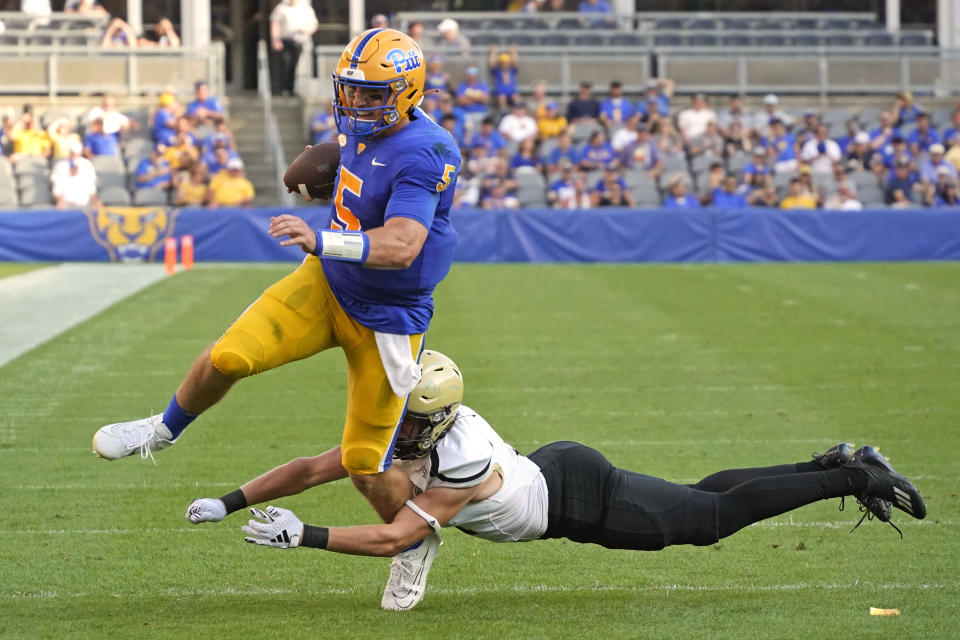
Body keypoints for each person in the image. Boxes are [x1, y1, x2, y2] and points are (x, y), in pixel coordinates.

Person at [185, 350, 925, 612]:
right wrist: (231, 499)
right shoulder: (425, 425)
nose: (396, 430)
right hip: (554, 469)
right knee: (703, 495)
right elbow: (316, 467)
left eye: (409, 423)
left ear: (434, 420)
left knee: (707, 520)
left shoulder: (459, 455)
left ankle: (851, 477)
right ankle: (826, 465)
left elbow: (393, 537)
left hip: (574, 499)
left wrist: (305, 537)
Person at [92, 30, 463, 551]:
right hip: (328, 284)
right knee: (229, 356)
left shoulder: (427, 151)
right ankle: (164, 428)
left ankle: (410, 542)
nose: (355, 102)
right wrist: (328, 177)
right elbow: (358, 162)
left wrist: (320, 237)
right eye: (349, 89)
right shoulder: (359, 125)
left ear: (405, 93)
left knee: (363, 463)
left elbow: (403, 244)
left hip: (389, 317)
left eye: (370, 94)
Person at [269, 0, 319, 96]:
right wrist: (275, 40)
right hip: (285, 42)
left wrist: (306, 30)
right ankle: (279, 90)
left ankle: (290, 90)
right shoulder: (281, 8)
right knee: (284, 65)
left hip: (298, 42)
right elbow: (275, 24)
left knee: (293, 66)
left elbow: (314, 24)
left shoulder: (305, 8)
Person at [51, 140, 100, 209]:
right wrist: (59, 201)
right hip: (66, 205)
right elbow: (55, 187)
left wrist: (96, 201)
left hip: (85, 205)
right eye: (72, 153)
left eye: (76, 153)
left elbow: (92, 187)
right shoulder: (60, 166)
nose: (74, 155)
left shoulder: (87, 165)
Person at [488, 46, 519, 110]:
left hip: (512, 92)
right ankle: (503, 111)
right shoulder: (497, 71)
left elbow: (515, 61)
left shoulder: (512, 70)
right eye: (502, 62)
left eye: (506, 62)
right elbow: (492, 62)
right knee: (502, 98)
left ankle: (518, 110)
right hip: (501, 93)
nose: (504, 64)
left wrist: (513, 52)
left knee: (516, 97)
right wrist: (493, 52)